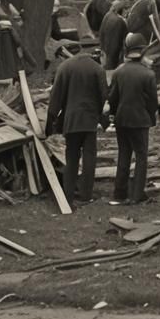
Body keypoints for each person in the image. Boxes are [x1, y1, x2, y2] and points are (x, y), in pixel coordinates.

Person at [45, 45, 109, 204]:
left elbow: (55, 98)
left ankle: (67, 194)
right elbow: (104, 97)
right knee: (89, 157)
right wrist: (104, 121)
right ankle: (86, 194)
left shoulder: (64, 67)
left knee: (71, 157)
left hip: (71, 120)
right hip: (89, 120)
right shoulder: (97, 69)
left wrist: (50, 123)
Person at [108, 33, 158, 204]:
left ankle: (119, 193)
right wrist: (151, 117)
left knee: (124, 154)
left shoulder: (118, 71)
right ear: (142, 52)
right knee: (141, 156)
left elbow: (112, 98)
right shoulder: (148, 74)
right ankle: (137, 194)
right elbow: (153, 102)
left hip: (122, 119)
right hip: (140, 120)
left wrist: (115, 114)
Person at [99, 0, 129, 71]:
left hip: (105, 52)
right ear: (122, 9)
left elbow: (101, 33)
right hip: (114, 57)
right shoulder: (120, 21)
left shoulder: (107, 15)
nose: (128, 12)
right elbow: (122, 40)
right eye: (126, 9)